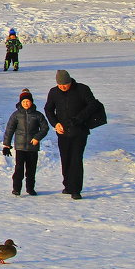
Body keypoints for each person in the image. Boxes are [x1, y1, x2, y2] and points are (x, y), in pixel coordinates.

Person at [44, 69, 104, 200]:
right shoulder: (53, 92)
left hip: (79, 131)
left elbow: (93, 105)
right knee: (65, 159)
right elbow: (48, 109)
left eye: (65, 84)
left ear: (70, 81)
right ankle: (68, 185)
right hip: (62, 132)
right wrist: (55, 124)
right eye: (60, 85)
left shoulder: (82, 89)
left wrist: (79, 118)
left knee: (76, 159)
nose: (63, 87)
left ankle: (76, 189)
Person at [3, 88, 50, 196]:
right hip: (20, 147)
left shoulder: (38, 115)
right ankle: (16, 188)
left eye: (28, 101)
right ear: (20, 103)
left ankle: (30, 188)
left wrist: (37, 138)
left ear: (31, 102)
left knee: (31, 169)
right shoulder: (16, 115)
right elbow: (9, 129)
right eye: (23, 102)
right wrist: (6, 145)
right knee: (19, 168)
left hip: (32, 146)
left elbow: (45, 128)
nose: (26, 103)